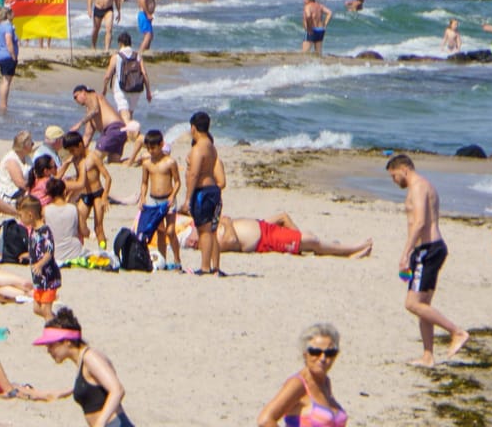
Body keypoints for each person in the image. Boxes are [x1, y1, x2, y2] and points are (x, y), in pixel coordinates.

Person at [386, 154, 468, 365]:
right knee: (424, 305)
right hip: (427, 249)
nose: (394, 182)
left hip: (428, 249)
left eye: (394, 176)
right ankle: (427, 355)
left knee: (412, 303)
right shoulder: (423, 186)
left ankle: (456, 332)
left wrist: (405, 253)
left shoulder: (419, 187)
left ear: (403, 169)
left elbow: (420, 222)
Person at [34, 307, 132, 427]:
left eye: (51, 345)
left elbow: (117, 390)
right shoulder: (83, 361)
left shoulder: (91, 358)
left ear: (67, 342)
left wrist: (100, 423)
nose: (48, 350)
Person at [255, 322, 348, 427]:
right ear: (305, 354)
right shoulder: (298, 384)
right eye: (315, 352)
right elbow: (265, 420)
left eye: (330, 353)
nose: (322, 358)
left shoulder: (325, 382)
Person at [197, 213, 372, 258]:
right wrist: (227, 223)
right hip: (265, 239)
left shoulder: (208, 231)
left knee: (284, 217)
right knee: (312, 239)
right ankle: (352, 249)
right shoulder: (213, 243)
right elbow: (232, 240)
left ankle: (307, 245)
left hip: (262, 226)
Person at [183, 111, 225, 276]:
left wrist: (188, 198)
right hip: (213, 190)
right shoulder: (211, 147)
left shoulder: (198, 148)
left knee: (204, 230)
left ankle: (206, 267)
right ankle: (215, 267)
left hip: (203, 191)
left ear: (193, 128)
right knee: (211, 231)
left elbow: (194, 174)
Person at [136, 130, 181, 270]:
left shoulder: (170, 162)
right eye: (148, 148)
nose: (151, 151)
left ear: (161, 144)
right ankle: (163, 260)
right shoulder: (147, 163)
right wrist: (142, 197)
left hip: (168, 200)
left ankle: (177, 259)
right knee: (160, 231)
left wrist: (173, 195)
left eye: (153, 148)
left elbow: (178, 182)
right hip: (153, 200)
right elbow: (144, 182)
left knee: (170, 231)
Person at [60, 131, 112, 250]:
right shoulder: (75, 159)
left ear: (80, 145)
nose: (71, 153)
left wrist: (105, 197)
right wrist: (66, 163)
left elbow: (108, 177)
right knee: (79, 224)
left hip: (98, 194)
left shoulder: (93, 157)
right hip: (85, 195)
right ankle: (79, 249)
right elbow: (79, 179)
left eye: (73, 150)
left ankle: (102, 250)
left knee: (98, 227)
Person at [17, 196, 60, 319]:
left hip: (49, 278)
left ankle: (52, 330)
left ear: (30, 215)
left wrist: (40, 264)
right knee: (37, 308)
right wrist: (28, 255)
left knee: (46, 310)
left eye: (21, 216)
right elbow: (37, 249)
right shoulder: (33, 231)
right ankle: (57, 320)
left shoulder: (45, 230)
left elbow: (49, 251)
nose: (20, 220)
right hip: (38, 279)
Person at [102, 32, 151, 132]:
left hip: (121, 88)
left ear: (120, 43)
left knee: (125, 116)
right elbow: (144, 73)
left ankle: (137, 133)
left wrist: (104, 89)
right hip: (136, 88)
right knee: (129, 115)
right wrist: (148, 92)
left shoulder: (116, 56)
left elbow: (107, 76)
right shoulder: (137, 56)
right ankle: (130, 136)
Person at [69, 85, 128, 163]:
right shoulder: (90, 113)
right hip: (120, 131)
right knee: (113, 161)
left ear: (83, 92)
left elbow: (95, 109)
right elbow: (87, 136)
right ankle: (136, 161)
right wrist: (76, 155)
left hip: (113, 129)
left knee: (94, 158)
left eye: (76, 97)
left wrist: (79, 124)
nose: (76, 100)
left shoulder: (93, 95)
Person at [0, 6, 19, 113]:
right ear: (8, 14)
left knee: (5, 80)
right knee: (6, 81)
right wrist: (13, 55)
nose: (14, 14)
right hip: (7, 56)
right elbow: (8, 41)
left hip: (1, 55)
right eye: (12, 13)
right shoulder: (8, 26)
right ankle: (3, 104)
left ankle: (3, 103)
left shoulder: (0, 26)